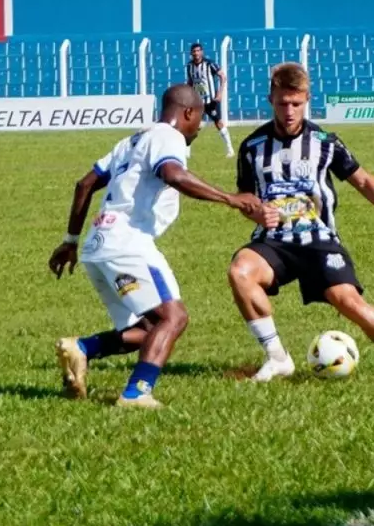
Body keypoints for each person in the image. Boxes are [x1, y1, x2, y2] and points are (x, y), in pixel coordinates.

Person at [50, 84, 273, 409]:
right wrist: (230, 199)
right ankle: (137, 392)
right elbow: (173, 174)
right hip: (128, 243)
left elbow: (84, 184)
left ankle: (83, 349)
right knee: (175, 317)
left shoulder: (132, 141)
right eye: (199, 121)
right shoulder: (170, 138)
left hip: (97, 247)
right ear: (188, 113)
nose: (199, 128)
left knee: (148, 328)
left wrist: (70, 241)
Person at [227, 62, 374, 382]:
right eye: (282, 103)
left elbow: (364, 181)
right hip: (272, 240)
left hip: (318, 237)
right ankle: (277, 358)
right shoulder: (252, 147)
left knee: (349, 302)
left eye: (296, 104)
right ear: (270, 99)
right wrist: (255, 210)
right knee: (240, 271)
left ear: (307, 100)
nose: (289, 111)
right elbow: (244, 197)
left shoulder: (325, 140)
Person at [186, 42, 234, 158]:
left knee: (218, 123)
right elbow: (190, 82)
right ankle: (186, 152)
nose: (196, 53)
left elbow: (223, 76)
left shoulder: (210, 64)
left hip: (211, 100)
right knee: (192, 125)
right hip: (197, 101)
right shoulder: (189, 66)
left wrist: (220, 93)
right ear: (191, 53)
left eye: (198, 51)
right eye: (194, 51)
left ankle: (230, 149)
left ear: (202, 52)